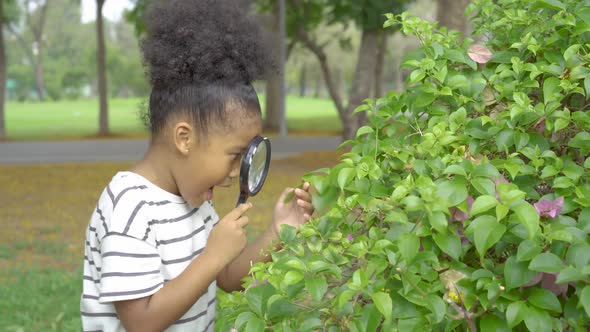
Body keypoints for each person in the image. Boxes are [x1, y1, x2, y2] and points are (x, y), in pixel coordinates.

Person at [79, 0, 314, 331]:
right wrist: (213, 256)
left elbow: (228, 278)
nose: (237, 172)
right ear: (184, 139)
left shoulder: (195, 201)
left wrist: (278, 232)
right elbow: (141, 323)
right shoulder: (129, 208)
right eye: (234, 155)